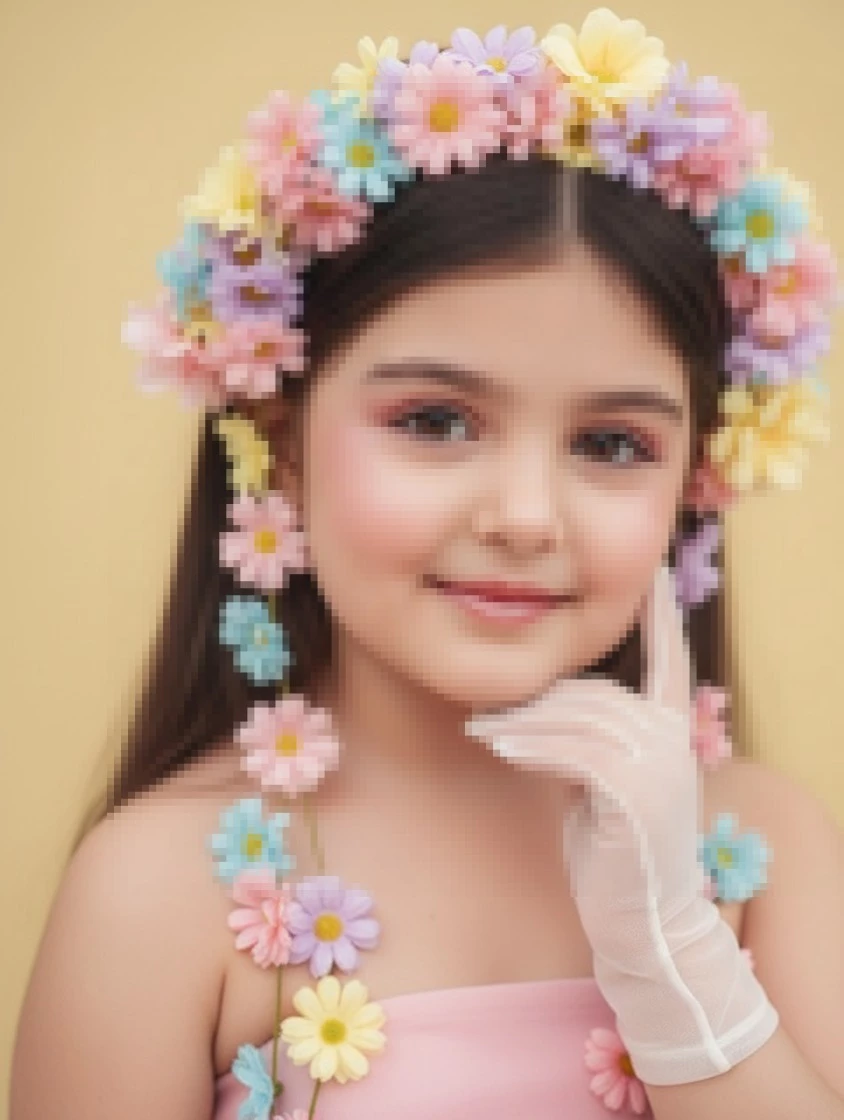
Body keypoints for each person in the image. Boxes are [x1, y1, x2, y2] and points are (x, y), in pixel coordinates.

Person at [10, 10, 844, 1120]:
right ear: (284, 438)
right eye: (436, 421)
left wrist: (674, 958)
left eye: (611, 445)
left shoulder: (765, 848)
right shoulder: (159, 890)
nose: (524, 518)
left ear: (694, 476)